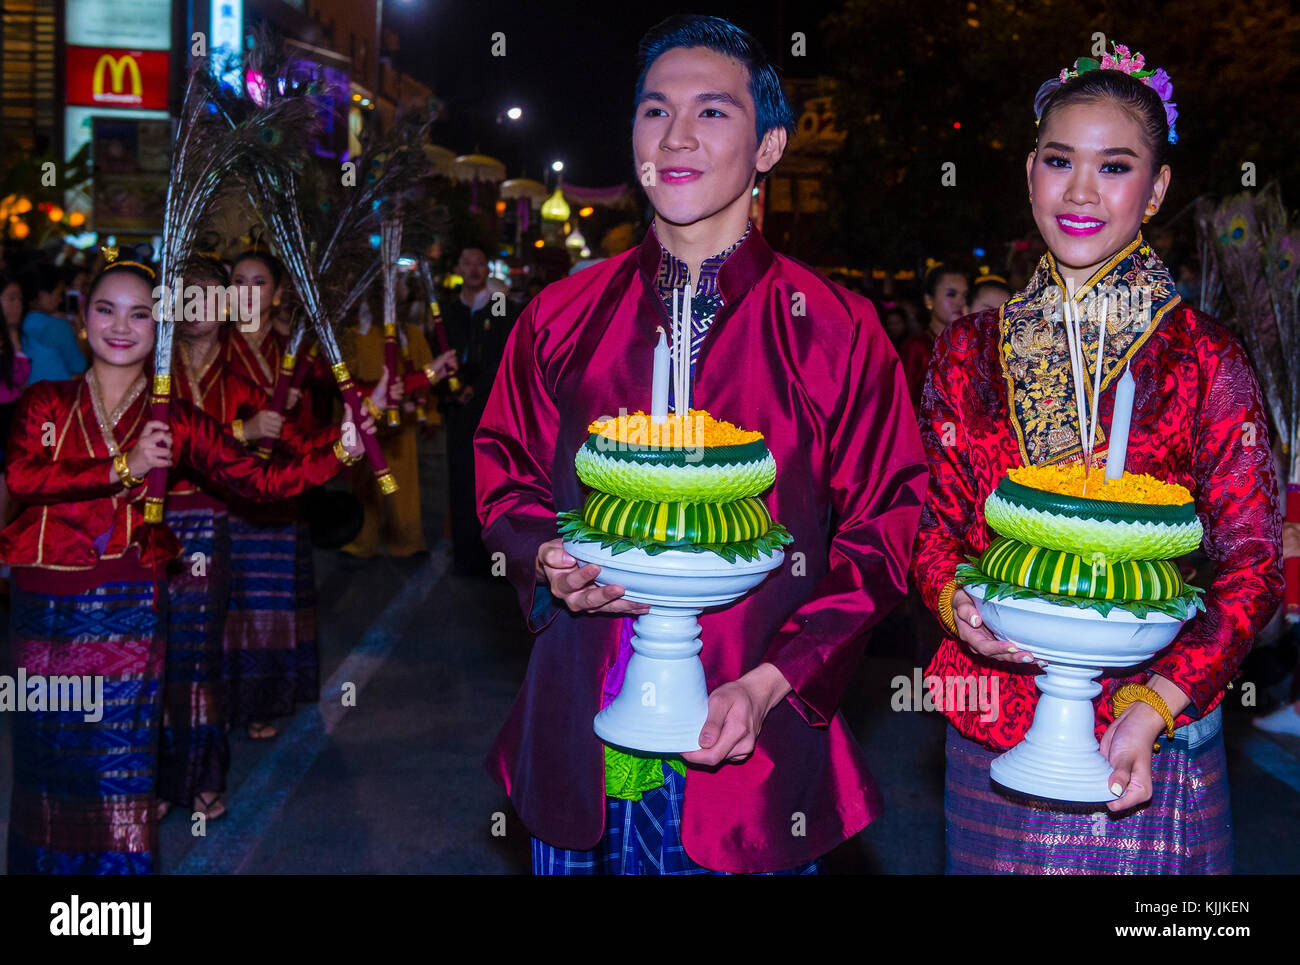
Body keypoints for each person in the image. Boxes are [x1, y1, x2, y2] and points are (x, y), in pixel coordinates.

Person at [475, 14, 928, 875]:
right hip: (581, 727)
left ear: (768, 147)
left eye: (712, 112)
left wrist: (776, 678)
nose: (676, 136)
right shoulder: (563, 315)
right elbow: (505, 474)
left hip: (748, 748)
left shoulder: (835, 329)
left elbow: (886, 528)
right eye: (655, 111)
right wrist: (546, 558)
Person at [911, 43, 1283, 874]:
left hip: (1150, 733)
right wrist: (956, 602)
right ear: (1030, 176)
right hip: (992, 722)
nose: (1081, 191)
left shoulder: (1204, 359)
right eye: (1059, 161)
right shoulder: (969, 352)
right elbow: (934, 527)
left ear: (1154, 191)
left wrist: (1158, 704)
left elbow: (1254, 565)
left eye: (1114, 167)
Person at [0, 251, 375, 873]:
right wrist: (126, 467)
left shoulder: (173, 418)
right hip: (46, 615)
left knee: (120, 769)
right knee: (49, 762)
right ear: (81, 320)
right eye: (105, 309)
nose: (121, 326)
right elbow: (24, 476)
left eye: (140, 314)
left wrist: (340, 450)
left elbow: (258, 480)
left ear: (160, 327)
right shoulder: (45, 402)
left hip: (130, 609)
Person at [221, 244, 320, 740]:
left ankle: (260, 701)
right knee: (223, 599)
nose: (246, 291)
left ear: (278, 293)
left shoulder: (295, 348)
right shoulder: (208, 345)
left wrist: (417, 378)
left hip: (281, 493)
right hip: (221, 490)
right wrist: (247, 426)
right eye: (237, 280)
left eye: (258, 282)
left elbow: (347, 393)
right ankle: (218, 701)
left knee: (268, 600)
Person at [341, 293, 455, 557]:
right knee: (363, 486)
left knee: (403, 487)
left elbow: (427, 376)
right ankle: (360, 540)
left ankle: (406, 541)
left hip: (400, 423)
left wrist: (430, 415)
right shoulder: (352, 335)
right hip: (363, 422)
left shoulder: (409, 334)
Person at [443, 245, 518, 575]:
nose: (474, 269)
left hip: (489, 407)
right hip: (456, 408)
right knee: (460, 479)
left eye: (480, 262)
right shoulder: (448, 311)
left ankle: (494, 560)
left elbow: (504, 355)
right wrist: (450, 388)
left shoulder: (498, 306)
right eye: (467, 262)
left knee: (490, 480)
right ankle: (464, 556)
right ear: (458, 267)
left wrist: (479, 386)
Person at [899, 261, 968, 409]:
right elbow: (905, 406)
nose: (960, 302)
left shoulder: (971, 347)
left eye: (964, 295)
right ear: (929, 300)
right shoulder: (915, 348)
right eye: (951, 294)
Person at [21, 262, 86, 385]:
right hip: (55, 398)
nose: (61, 299)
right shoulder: (57, 326)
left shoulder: (17, 323)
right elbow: (79, 366)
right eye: (58, 293)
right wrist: (80, 329)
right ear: (43, 295)